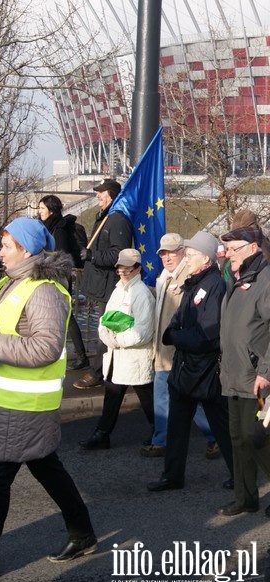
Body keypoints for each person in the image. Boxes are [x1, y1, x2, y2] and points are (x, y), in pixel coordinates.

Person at [0, 217, 97, 582]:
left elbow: (45, 348)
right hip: (10, 399)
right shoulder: (14, 282)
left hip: (23, 404)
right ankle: (83, 533)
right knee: (45, 465)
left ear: (26, 250)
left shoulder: (42, 291)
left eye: (6, 245)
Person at [147, 231, 234, 492]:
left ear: (205, 258)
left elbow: (206, 336)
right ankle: (172, 476)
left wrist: (176, 336)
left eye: (192, 253)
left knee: (221, 426)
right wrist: (176, 334)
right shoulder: (195, 282)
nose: (188, 256)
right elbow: (178, 321)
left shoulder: (214, 285)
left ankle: (240, 475)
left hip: (204, 368)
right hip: (186, 367)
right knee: (178, 424)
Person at [141, 233, 221, 460]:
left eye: (172, 252)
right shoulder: (164, 277)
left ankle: (165, 440)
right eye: (162, 253)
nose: (167, 257)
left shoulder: (191, 277)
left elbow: (191, 318)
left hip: (178, 351)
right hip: (164, 349)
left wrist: (176, 339)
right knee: (178, 399)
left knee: (181, 399)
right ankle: (166, 439)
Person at [78, 249, 155, 449]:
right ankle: (102, 433)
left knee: (147, 398)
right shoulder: (118, 289)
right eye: (120, 267)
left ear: (138, 269)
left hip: (134, 357)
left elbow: (143, 332)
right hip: (117, 356)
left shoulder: (142, 294)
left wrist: (115, 339)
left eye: (127, 268)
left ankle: (160, 432)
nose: (122, 271)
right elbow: (104, 320)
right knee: (113, 394)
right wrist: (108, 336)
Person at [218, 224, 270, 517]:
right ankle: (245, 498)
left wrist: (266, 370)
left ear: (253, 248)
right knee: (237, 439)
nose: (228, 255)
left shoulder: (265, 280)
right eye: (227, 249)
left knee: (255, 437)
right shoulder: (237, 279)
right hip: (234, 373)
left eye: (234, 249)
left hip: (256, 377)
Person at [73, 178, 133, 390]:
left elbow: (120, 253)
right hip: (100, 285)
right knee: (104, 329)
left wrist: (92, 255)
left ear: (112, 194)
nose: (97, 195)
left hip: (109, 287)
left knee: (105, 331)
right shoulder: (105, 217)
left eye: (101, 191)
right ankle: (109, 370)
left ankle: (98, 373)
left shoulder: (117, 220)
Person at [38, 194, 89, 370]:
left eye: (42, 209)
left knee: (66, 316)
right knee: (64, 316)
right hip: (54, 275)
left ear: (51, 210)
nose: (40, 212)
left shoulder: (58, 229)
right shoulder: (51, 226)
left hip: (57, 276)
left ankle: (80, 356)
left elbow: (60, 253)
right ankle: (73, 354)